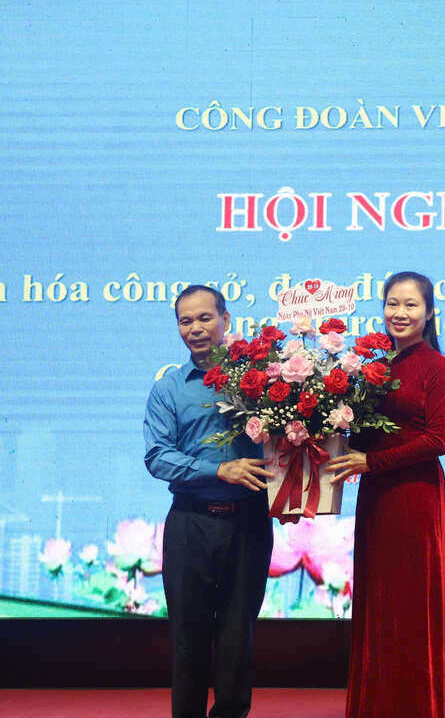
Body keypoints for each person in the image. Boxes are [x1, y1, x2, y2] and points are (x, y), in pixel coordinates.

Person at [327, 271, 445, 718]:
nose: (399, 313)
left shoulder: (437, 366)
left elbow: (436, 441)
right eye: (392, 304)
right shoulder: (373, 366)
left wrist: (372, 462)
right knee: (379, 605)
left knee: (411, 607)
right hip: (376, 498)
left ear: (429, 312)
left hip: (415, 500)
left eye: (411, 304)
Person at [143, 284, 275, 718]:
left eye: (205, 318)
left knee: (238, 638)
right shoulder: (169, 389)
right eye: (186, 321)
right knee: (189, 639)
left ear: (226, 320)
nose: (195, 328)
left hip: (249, 522)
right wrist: (219, 471)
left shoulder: (263, 380)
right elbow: (157, 457)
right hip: (191, 524)